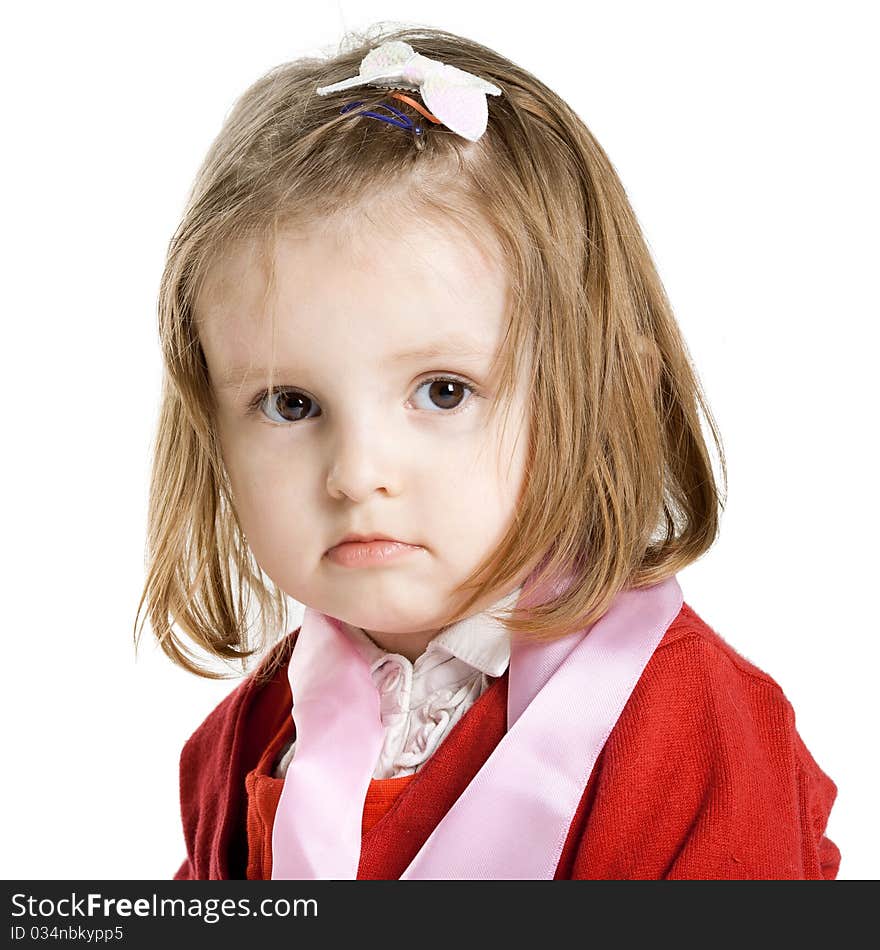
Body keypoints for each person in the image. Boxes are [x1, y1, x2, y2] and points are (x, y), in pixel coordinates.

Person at [135, 25, 839, 880]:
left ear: (604, 395)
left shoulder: (694, 732)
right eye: (291, 404)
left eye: (443, 391)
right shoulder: (242, 743)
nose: (358, 474)